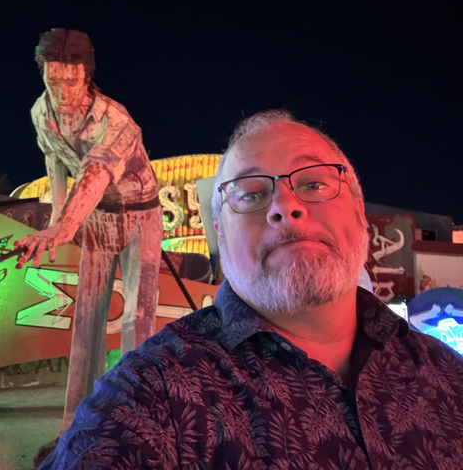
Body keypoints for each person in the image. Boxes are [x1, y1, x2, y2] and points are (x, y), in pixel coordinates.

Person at [40, 110, 463, 469]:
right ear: (221, 235)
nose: (284, 206)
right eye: (251, 193)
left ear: (358, 212)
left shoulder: (447, 374)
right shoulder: (148, 396)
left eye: (313, 184)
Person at [15, 28, 163, 436]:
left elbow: (96, 174)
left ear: (87, 74)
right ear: (43, 74)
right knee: (87, 318)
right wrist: (56, 221)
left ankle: (134, 423)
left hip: (139, 216)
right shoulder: (41, 113)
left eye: (72, 81)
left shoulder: (116, 121)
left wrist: (65, 227)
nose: (63, 92)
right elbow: (55, 160)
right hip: (97, 217)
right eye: (54, 80)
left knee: (137, 319)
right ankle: (76, 425)